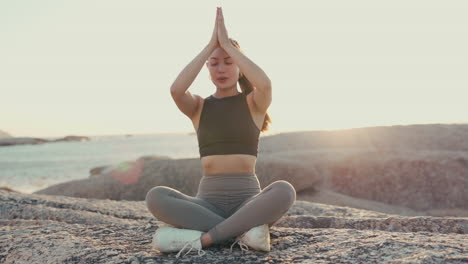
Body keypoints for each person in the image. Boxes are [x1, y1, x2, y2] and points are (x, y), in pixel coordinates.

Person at [145, 7, 296, 258]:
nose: (221, 69)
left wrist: (227, 44)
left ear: (239, 67)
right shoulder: (198, 107)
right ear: (207, 68)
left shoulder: (253, 103)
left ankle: (207, 237)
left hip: (247, 201)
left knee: (284, 190)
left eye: (229, 62)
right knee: (155, 196)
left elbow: (265, 83)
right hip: (206, 203)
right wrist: (210, 46)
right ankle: (242, 232)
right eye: (214, 63)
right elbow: (175, 90)